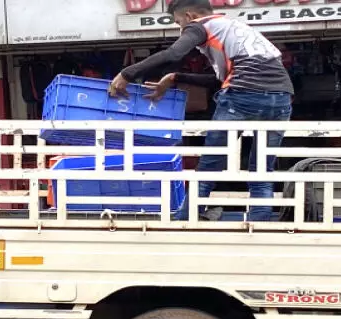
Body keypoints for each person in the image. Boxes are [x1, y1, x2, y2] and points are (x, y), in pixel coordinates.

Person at [109, 0, 294, 222]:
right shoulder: (234, 27)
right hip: (282, 97)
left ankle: (186, 218)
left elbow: (173, 54)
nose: (181, 29)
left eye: (179, 23)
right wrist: (175, 77)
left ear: (189, 16)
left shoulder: (201, 25)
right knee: (262, 166)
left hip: (243, 96)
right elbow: (221, 80)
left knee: (210, 164)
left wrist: (127, 74)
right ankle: (260, 221)